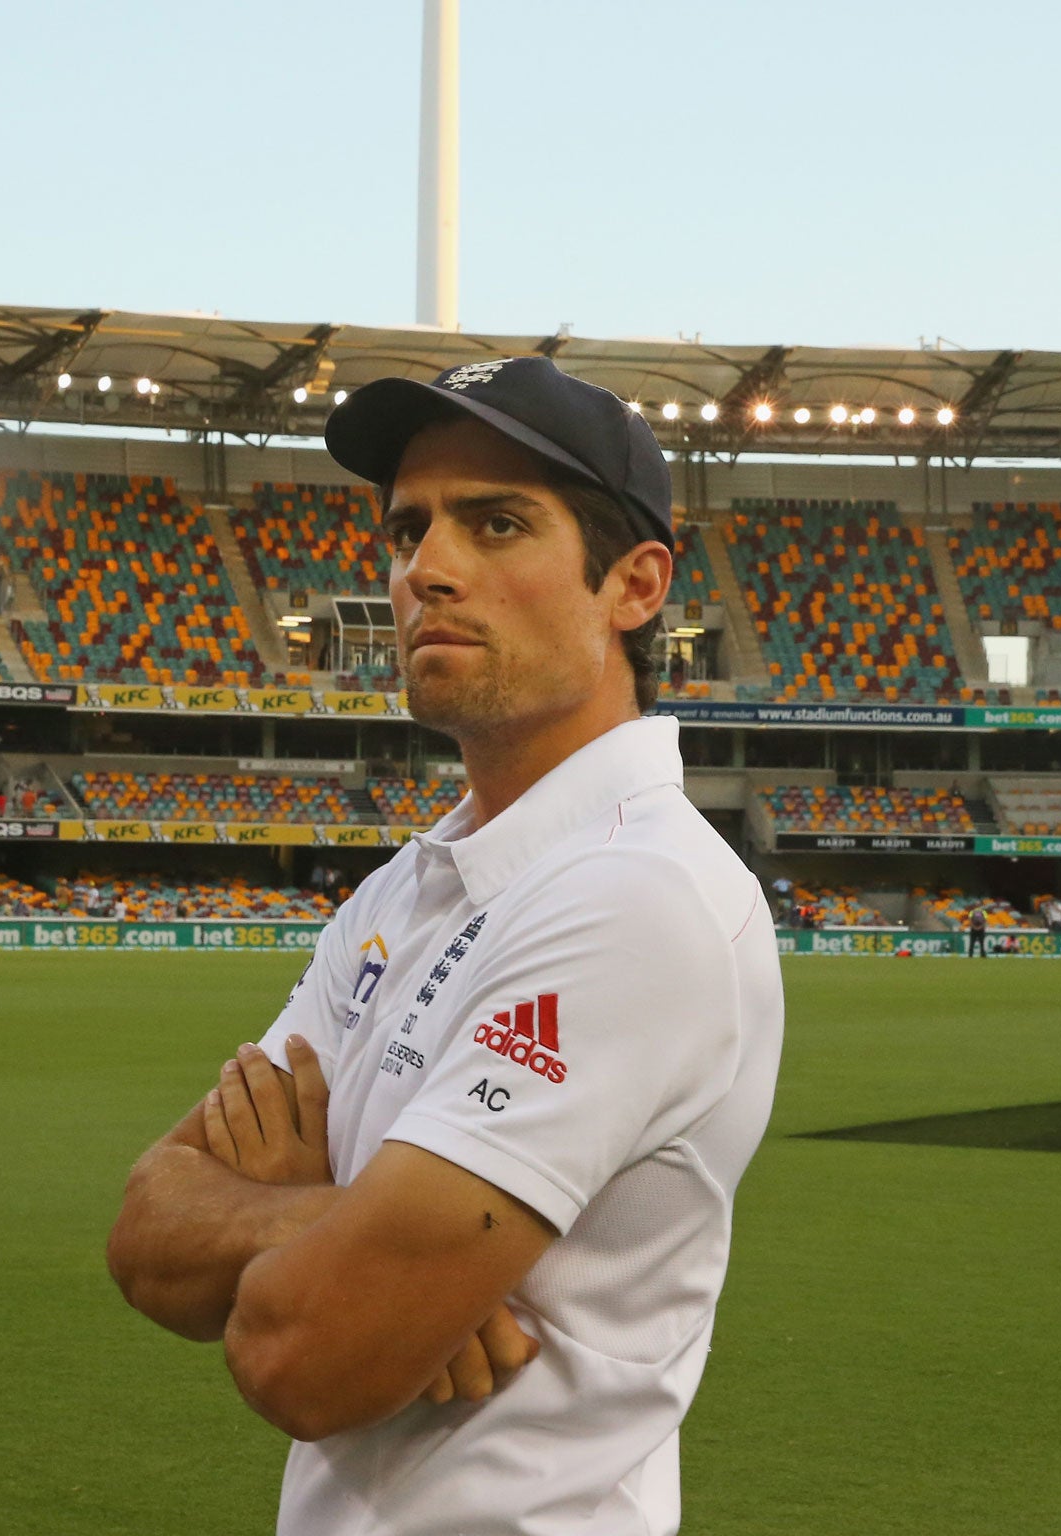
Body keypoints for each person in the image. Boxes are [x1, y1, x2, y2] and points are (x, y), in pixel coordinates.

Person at [107, 356, 783, 1536]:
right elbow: (143, 1240)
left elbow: (302, 1359)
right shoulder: (402, 890)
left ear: (632, 586)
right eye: (407, 528)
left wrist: (319, 1241)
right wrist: (345, 1227)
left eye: (497, 522)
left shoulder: (637, 896)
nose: (427, 568)